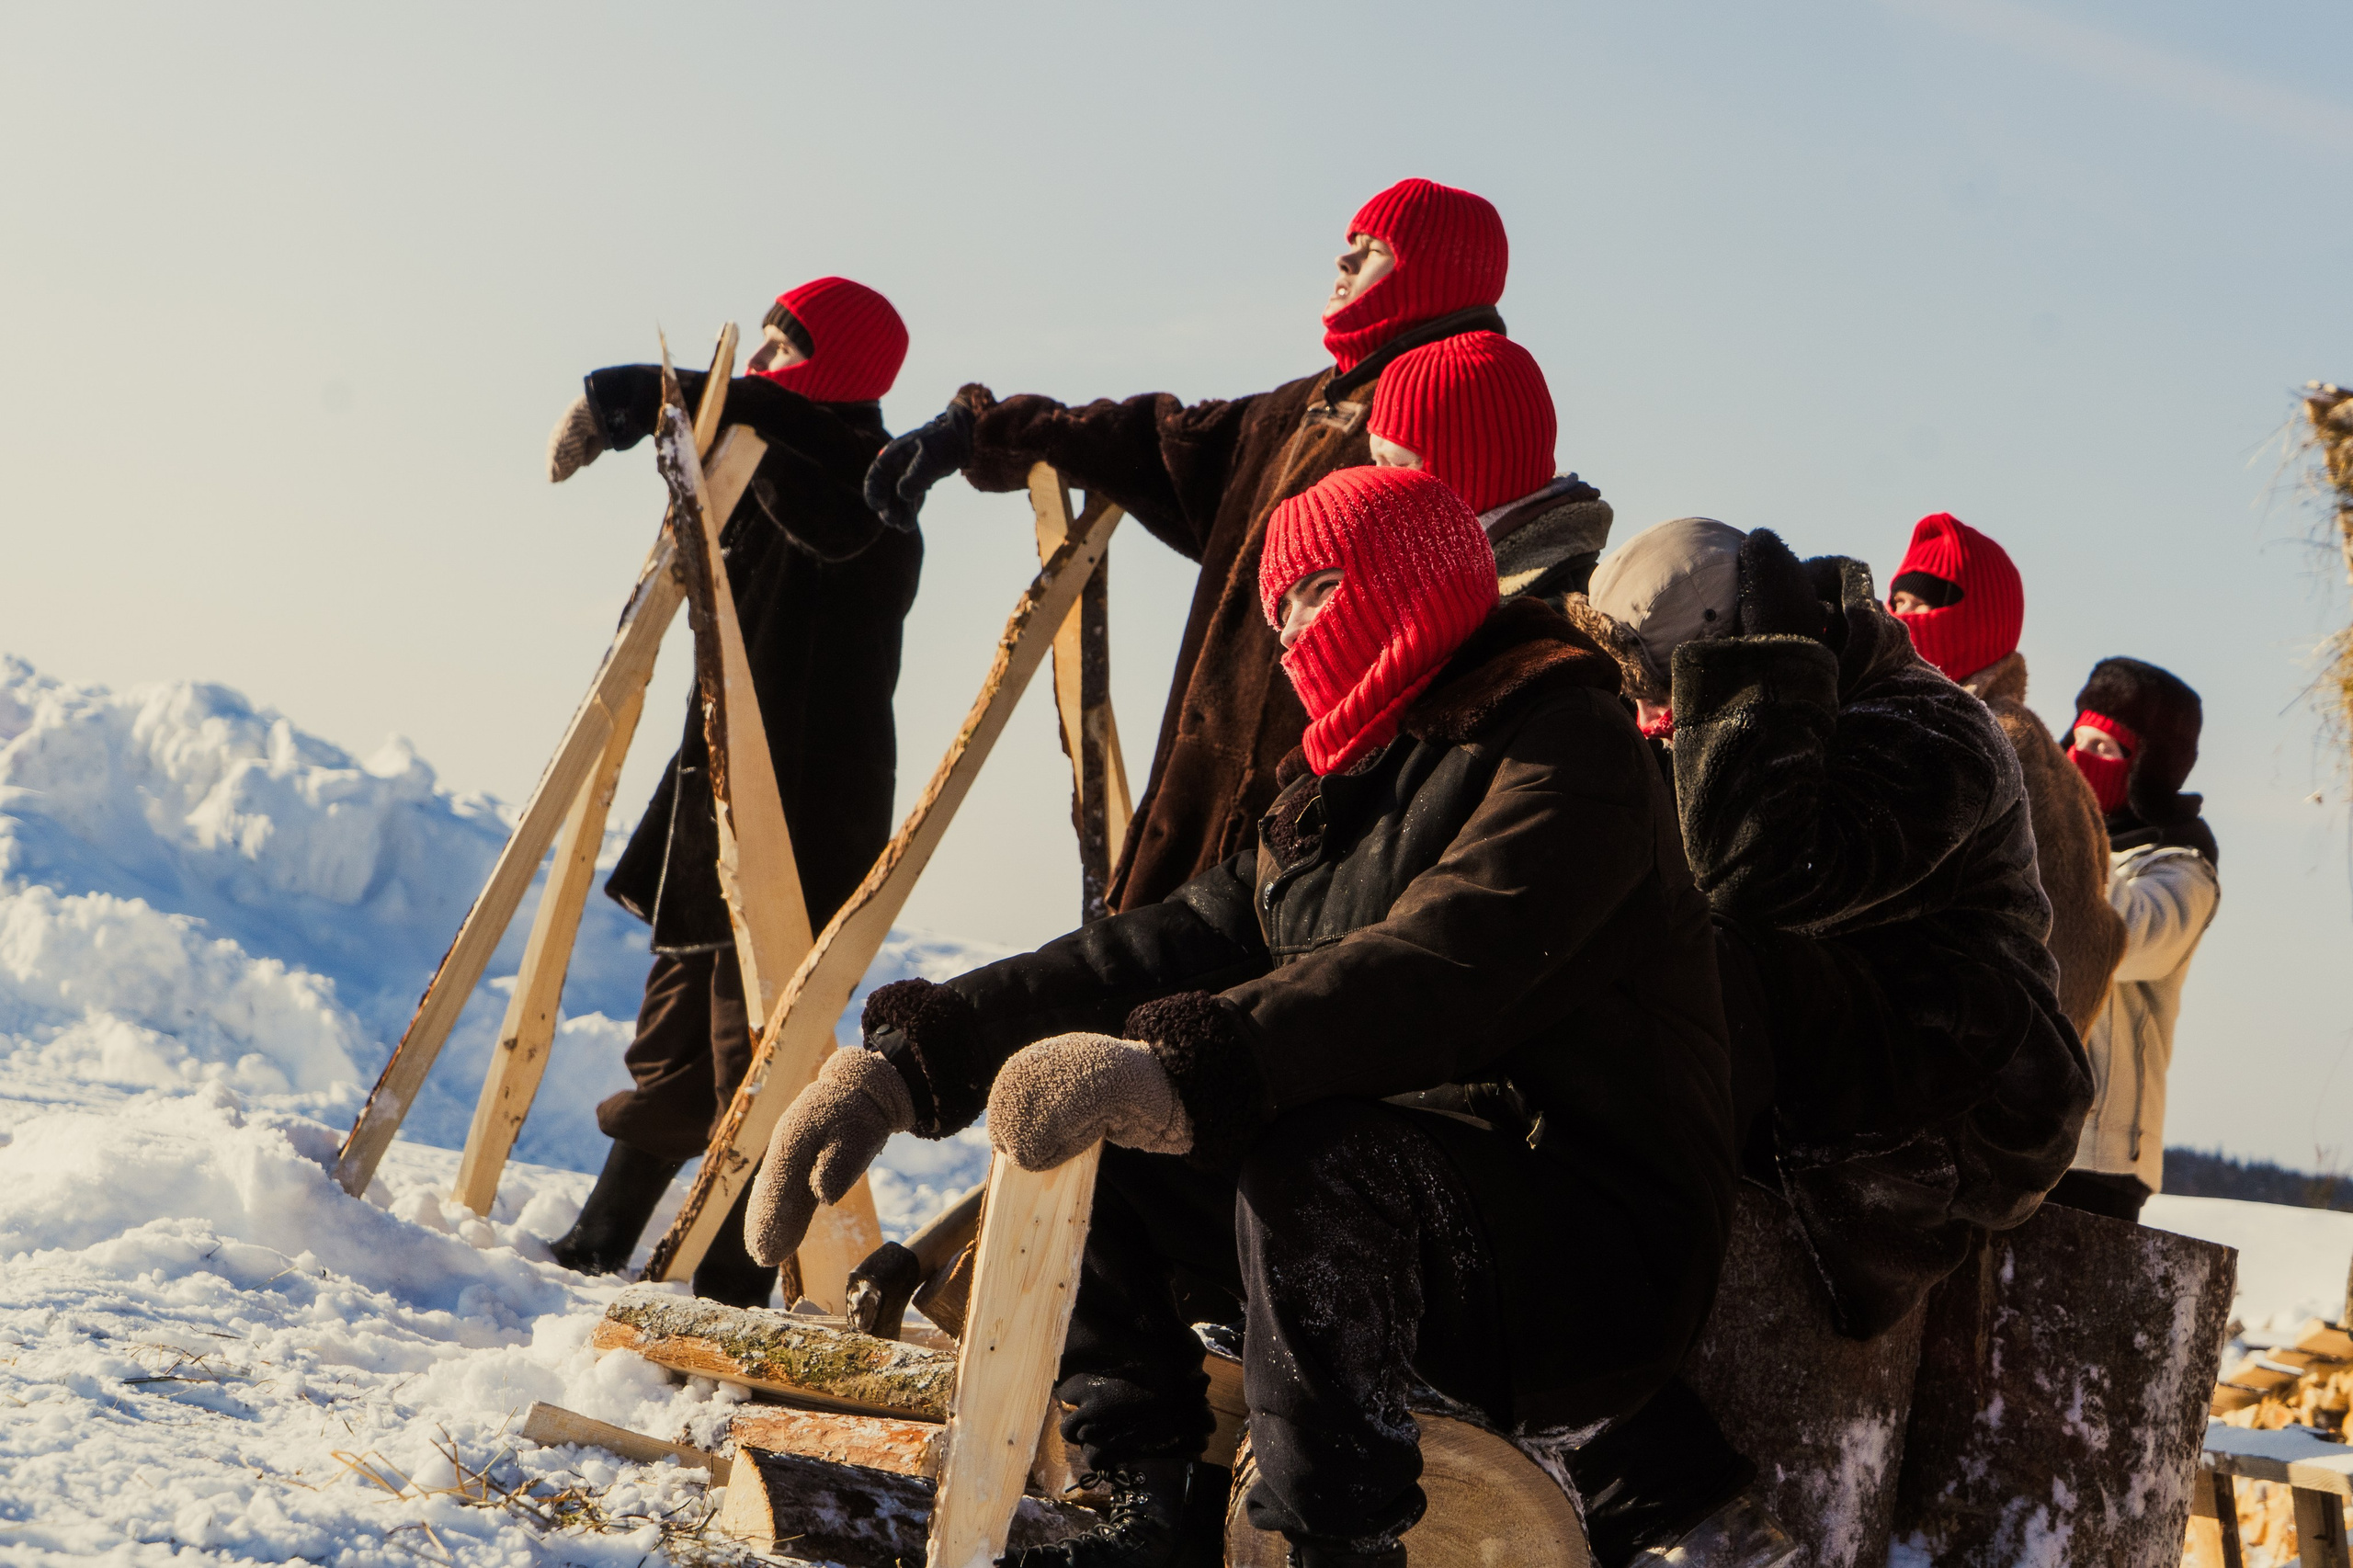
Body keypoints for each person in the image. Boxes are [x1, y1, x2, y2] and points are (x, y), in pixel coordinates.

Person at [745, 466, 1747, 1568]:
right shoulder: (1343, 792)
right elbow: (1140, 950)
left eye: (1311, 592)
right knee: (1108, 1115)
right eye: (1278, 612)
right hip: (1426, 1214)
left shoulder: (1568, 750)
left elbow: (1442, 965)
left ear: (1402, 583)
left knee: (1311, 1151)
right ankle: (1141, 1500)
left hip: (1591, 1253)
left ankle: (1334, 1542)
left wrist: (1190, 1072)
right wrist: (907, 1062)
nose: (1288, 635)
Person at [863, 178, 1513, 915]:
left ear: (1435, 269)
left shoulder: (1470, 410)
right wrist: (981, 433)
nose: (1340, 263)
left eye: (1370, 251)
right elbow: (1147, 442)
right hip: (1198, 813)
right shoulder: (1299, 410)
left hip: (1340, 828)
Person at [1571, 517, 2092, 1336]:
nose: (1647, 719)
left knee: (1702, 958)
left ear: (1736, 653)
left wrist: (1759, 686)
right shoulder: (1718, 723)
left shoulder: (1932, 729)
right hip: (1842, 1048)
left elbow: (1763, 884)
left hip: (1970, 1093)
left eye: (1664, 690)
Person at [539, 277, 920, 1306]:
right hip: (714, 799)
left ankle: (726, 1282)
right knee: (673, 1039)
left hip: (797, 815)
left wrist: (631, 397)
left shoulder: (870, 493)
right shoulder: (765, 463)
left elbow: (820, 488)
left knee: (747, 1055)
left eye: (780, 346)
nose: (756, 365)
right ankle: (601, 1235)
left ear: (833, 365)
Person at [1885, 512, 2125, 1034]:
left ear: (1980, 619)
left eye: (1923, 602)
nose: (1903, 620)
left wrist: (2017, 1075)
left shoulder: (2007, 743)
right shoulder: (1907, 722)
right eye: (1896, 603)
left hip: (1960, 1066)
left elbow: (2074, 940)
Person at [2045, 659, 2220, 1223]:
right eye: (2077, 740)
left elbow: (2125, 938)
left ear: (2146, 771)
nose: (2078, 760)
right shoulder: (2038, 846)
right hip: (2015, 1131)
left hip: (2102, 1156)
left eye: (2107, 750)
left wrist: (2063, 832)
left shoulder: (2182, 870)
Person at [1363, 330, 1615, 608]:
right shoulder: (1434, 571)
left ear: (1472, 465)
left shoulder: (1542, 615)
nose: (1378, 484)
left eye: (1399, 465)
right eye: (1376, 461)